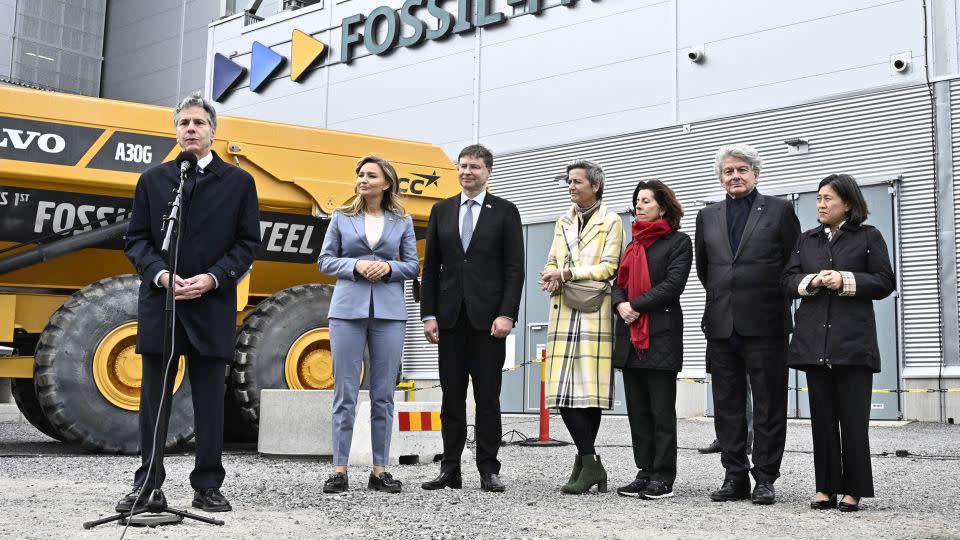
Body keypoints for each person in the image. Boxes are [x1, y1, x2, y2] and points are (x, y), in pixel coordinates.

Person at [119, 91, 260, 513]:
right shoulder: (154, 180)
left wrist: (214, 277)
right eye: (184, 123)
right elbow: (137, 240)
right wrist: (162, 275)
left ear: (213, 131)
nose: (191, 129)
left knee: (208, 401)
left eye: (199, 122)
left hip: (211, 304)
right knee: (153, 402)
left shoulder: (238, 182)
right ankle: (148, 484)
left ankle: (208, 485)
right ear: (175, 131)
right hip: (162, 303)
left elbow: (248, 242)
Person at [694, 143, 800, 505]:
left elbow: (792, 264)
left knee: (769, 404)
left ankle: (766, 478)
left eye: (741, 170)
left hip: (766, 322)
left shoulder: (781, 210)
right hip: (722, 324)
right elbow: (706, 270)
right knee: (727, 405)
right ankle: (733, 476)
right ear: (720, 177)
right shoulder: (707, 216)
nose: (734, 176)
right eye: (728, 171)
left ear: (756, 173)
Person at [781, 173, 894, 512]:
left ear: (848, 202)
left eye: (828, 198)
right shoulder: (806, 239)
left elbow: (885, 281)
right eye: (818, 198)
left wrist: (844, 278)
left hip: (853, 345)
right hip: (815, 345)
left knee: (854, 422)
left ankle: (854, 490)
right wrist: (812, 280)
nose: (821, 204)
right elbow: (787, 281)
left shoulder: (868, 237)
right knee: (823, 421)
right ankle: (825, 488)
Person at [420, 144, 525, 493]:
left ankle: (488, 469)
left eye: (475, 167)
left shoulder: (506, 212)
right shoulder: (442, 210)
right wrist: (428, 314)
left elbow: (514, 269)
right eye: (463, 166)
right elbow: (430, 268)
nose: (467, 172)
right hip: (449, 321)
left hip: (488, 322)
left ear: (488, 172)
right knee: (451, 399)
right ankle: (450, 469)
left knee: (487, 398)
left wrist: (507, 313)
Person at [317, 155, 420, 494]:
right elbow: (325, 261)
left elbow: (413, 266)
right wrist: (356, 266)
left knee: (383, 395)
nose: (363, 179)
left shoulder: (402, 221)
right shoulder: (341, 218)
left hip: (389, 313)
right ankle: (339, 470)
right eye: (360, 174)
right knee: (344, 392)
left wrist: (390, 269)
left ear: (386, 183)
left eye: (370, 175)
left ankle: (379, 471)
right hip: (346, 311)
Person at [539, 160, 623, 494]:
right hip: (563, 307)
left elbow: (609, 267)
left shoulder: (612, 220)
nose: (571, 187)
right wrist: (550, 273)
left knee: (589, 393)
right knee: (561, 392)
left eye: (576, 182)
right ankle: (589, 461)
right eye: (569, 182)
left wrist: (570, 274)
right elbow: (552, 259)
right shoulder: (563, 221)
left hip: (595, 309)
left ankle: (586, 464)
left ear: (595, 185)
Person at [612, 180, 691, 500]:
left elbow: (673, 285)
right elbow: (617, 283)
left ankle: (663, 476)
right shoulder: (632, 245)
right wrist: (620, 304)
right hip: (630, 338)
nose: (639, 206)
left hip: (660, 336)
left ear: (662, 206)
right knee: (639, 412)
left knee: (660, 412)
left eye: (646, 200)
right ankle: (644, 471)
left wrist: (635, 305)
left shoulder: (678, 242)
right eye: (637, 201)